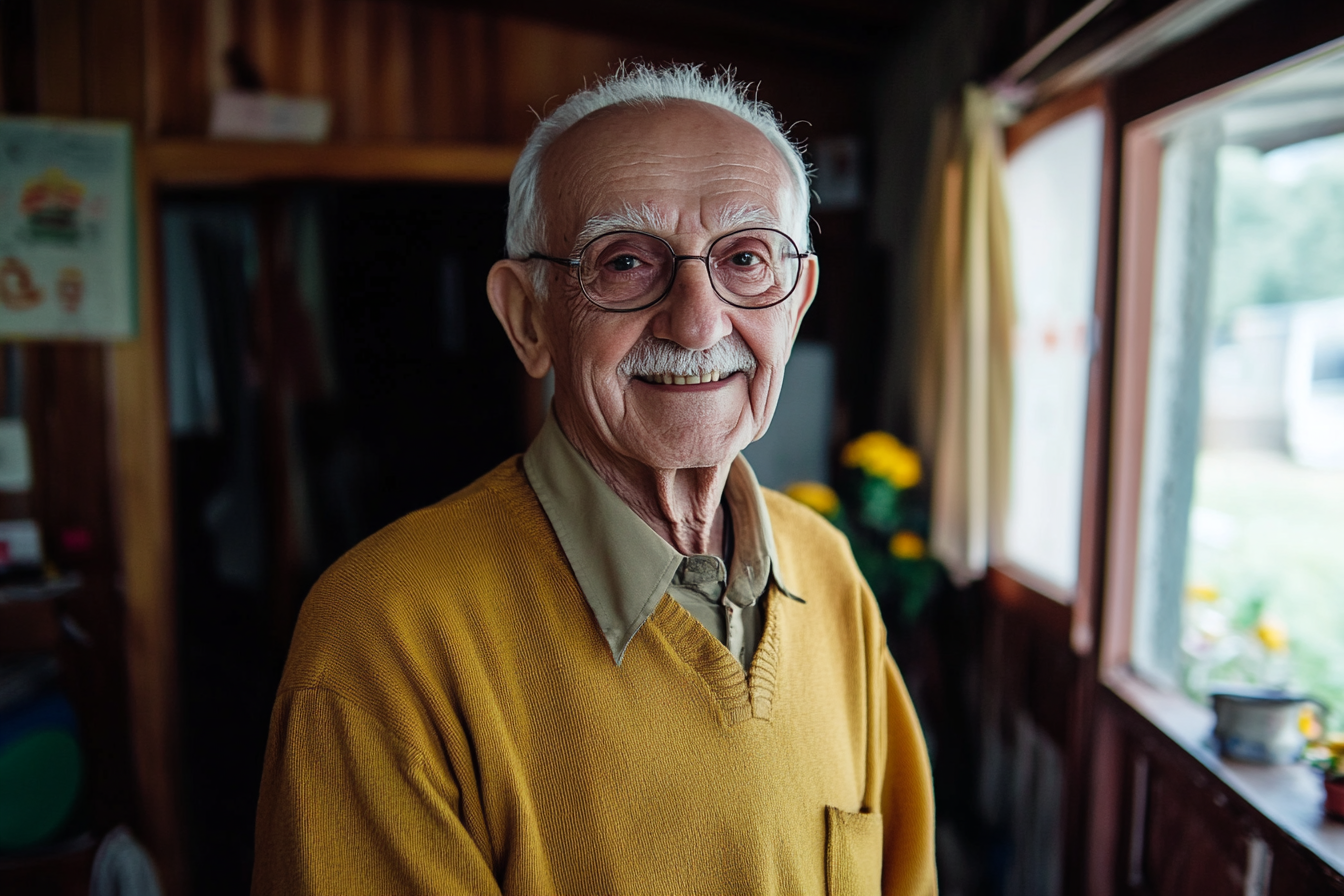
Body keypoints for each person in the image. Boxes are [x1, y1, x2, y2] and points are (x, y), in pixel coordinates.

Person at [252, 64, 936, 896]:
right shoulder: (380, 636)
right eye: (623, 263)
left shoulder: (828, 573)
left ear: (795, 305)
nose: (696, 321)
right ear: (528, 317)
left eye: (747, 258)